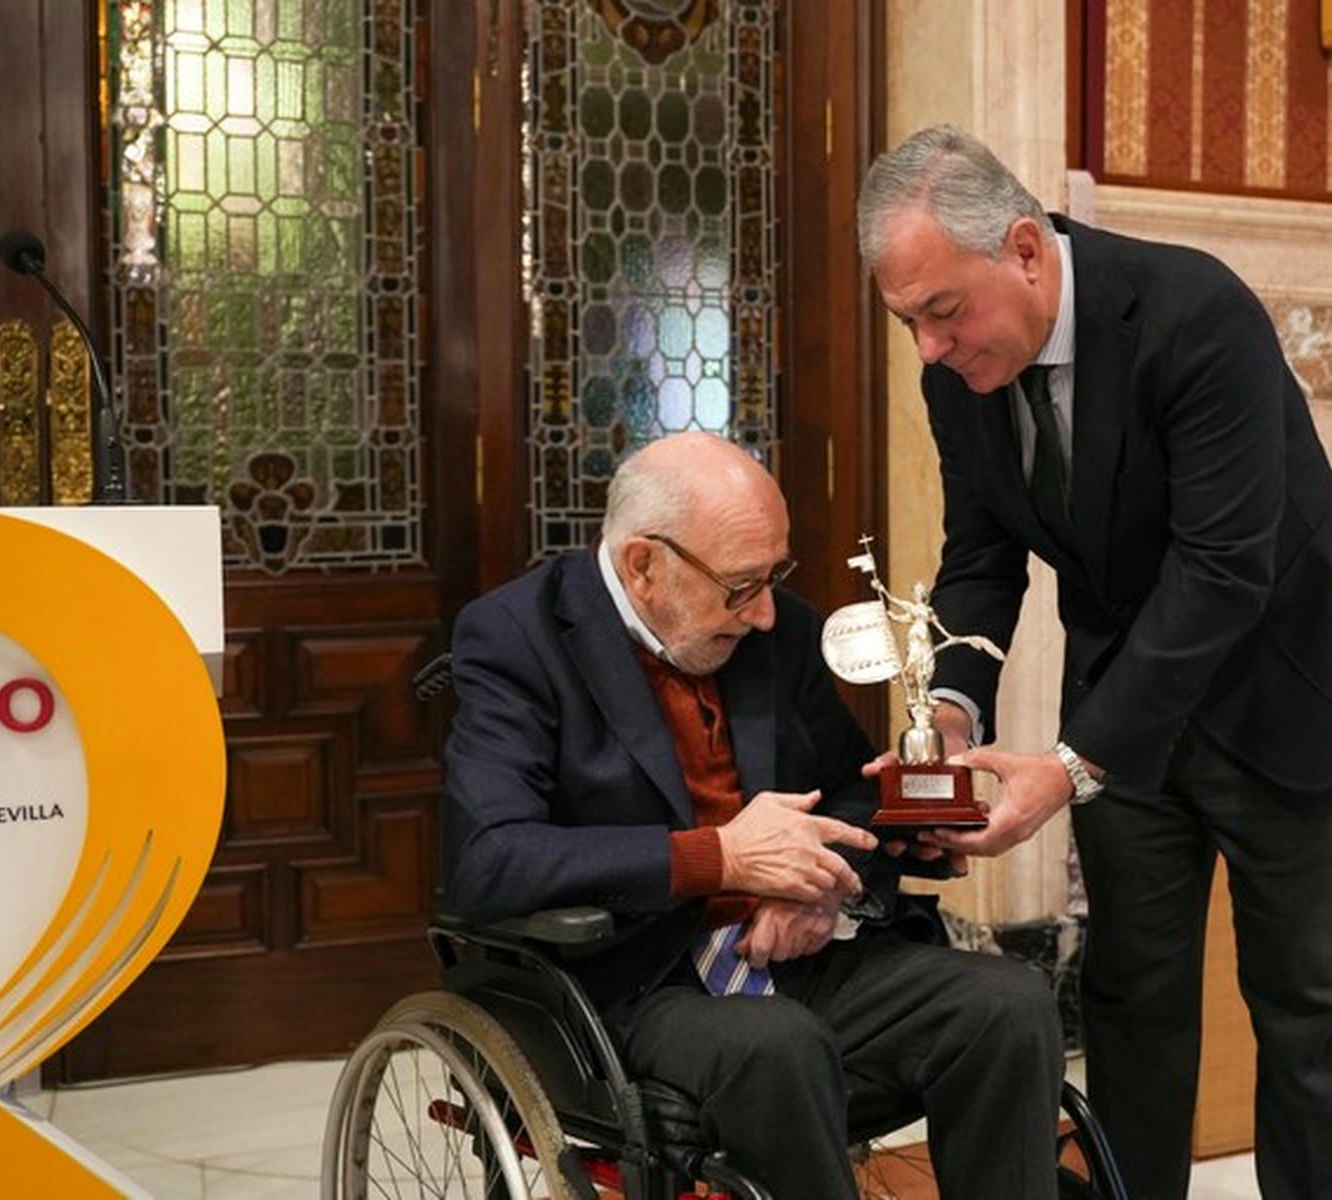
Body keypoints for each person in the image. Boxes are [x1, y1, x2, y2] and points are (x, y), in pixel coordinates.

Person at [858, 126, 1332, 1200]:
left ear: (1021, 248)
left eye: (941, 311)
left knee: (1306, 1010)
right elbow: (980, 553)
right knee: (1130, 996)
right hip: (1126, 700)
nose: (926, 348)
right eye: (906, 320)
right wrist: (952, 711)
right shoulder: (956, 373)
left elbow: (1221, 570)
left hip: (1285, 686)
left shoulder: (1192, 315)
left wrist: (1067, 764)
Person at [442, 432, 1065, 1200]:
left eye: (776, 576)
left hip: (792, 954)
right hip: (636, 982)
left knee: (1006, 1004)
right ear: (644, 567)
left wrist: (820, 886)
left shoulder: (781, 629)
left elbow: (854, 787)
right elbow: (491, 859)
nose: (767, 613)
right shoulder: (517, 639)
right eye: (741, 586)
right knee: (776, 1048)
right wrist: (721, 860)